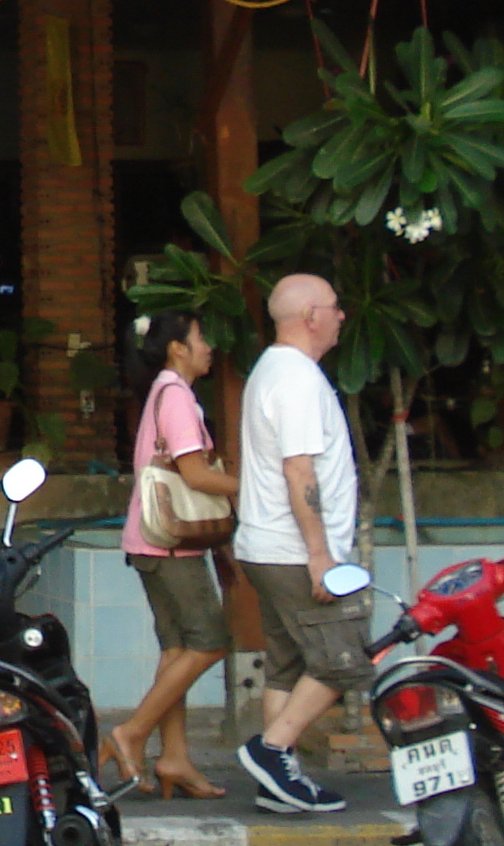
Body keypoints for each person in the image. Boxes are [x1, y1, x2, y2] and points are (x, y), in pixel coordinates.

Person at [232, 273, 369, 815]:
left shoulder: (276, 370)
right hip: (294, 551)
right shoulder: (296, 379)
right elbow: (299, 470)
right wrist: (320, 554)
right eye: (335, 306)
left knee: (288, 663)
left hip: (269, 546)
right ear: (311, 315)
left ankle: (278, 782)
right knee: (344, 657)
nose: (341, 316)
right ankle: (272, 751)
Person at [105, 311, 236, 798]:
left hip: (147, 541)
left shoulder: (162, 390)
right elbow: (197, 476)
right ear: (177, 348)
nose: (209, 347)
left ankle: (175, 758)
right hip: (171, 544)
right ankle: (132, 732)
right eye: (201, 338)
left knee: (177, 649)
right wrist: (255, 490)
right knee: (211, 641)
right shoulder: (177, 397)